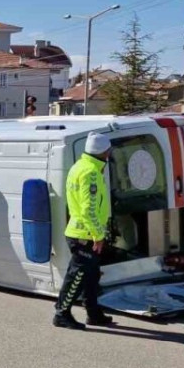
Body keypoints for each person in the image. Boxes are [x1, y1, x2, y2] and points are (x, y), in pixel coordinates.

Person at [54, 133, 115, 330]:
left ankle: (93, 313)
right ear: (104, 152)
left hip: (81, 231)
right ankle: (62, 313)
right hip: (84, 234)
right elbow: (88, 210)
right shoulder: (91, 172)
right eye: (109, 149)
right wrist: (98, 235)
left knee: (91, 275)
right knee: (78, 274)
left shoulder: (79, 166)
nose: (110, 152)